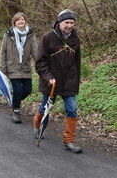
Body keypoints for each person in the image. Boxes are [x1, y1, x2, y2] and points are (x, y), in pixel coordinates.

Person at [34, 9, 82, 153]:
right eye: (66, 22)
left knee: (72, 109)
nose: (69, 25)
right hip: (52, 82)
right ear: (59, 23)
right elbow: (40, 62)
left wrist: (77, 79)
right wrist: (48, 77)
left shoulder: (75, 39)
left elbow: (77, 62)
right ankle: (37, 127)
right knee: (44, 108)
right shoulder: (48, 37)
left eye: (72, 23)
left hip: (69, 81)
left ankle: (69, 141)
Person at [0, 12, 37, 123]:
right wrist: (3, 68)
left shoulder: (30, 34)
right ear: (14, 22)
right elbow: (3, 52)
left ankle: (15, 100)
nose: (21, 21)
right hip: (12, 67)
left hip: (25, 67)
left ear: (25, 21)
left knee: (28, 90)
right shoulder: (8, 34)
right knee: (17, 89)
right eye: (18, 20)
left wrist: (40, 64)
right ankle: (16, 111)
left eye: (22, 19)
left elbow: (35, 51)